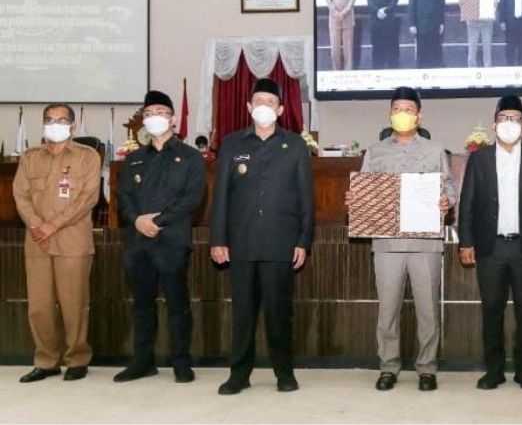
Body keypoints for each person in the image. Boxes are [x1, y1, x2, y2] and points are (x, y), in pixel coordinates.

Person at [346, 86, 454, 392]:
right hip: (387, 244)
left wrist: (446, 200)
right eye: (397, 109)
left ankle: (427, 368)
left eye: (408, 109)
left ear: (419, 116)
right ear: (389, 114)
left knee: (428, 310)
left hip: (425, 244)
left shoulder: (435, 150)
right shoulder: (374, 152)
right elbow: (364, 190)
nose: (402, 114)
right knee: (388, 311)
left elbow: (448, 186)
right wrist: (356, 199)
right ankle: (388, 366)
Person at [210, 78, 314, 395]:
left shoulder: (295, 145)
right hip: (241, 243)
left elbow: (306, 198)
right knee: (242, 314)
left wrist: (303, 241)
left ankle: (284, 372)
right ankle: (239, 374)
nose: (264, 107)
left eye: (271, 102)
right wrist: (218, 239)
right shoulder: (232, 144)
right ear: (248, 107)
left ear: (280, 109)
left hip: (280, 243)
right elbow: (221, 196)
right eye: (259, 101)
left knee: (279, 313)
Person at [458, 95, 522, 391]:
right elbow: (467, 202)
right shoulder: (479, 159)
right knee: (492, 310)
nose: (509, 123)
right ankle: (494, 370)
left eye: (515, 119)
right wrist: (466, 242)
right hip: (491, 248)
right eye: (504, 118)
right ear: (494, 124)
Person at [114, 91, 207, 384]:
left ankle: (181, 362)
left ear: (173, 119)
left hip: (172, 240)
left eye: (161, 112)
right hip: (138, 242)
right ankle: (143, 362)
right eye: (149, 113)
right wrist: (137, 220)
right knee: (142, 304)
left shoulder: (190, 157)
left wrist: (158, 221)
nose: (155, 117)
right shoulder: (134, 159)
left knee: (177, 304)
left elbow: (192, 198)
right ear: (143, 120)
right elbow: (123, 198)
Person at [13, 103, 100, 383]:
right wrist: (36, 224)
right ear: (43, 124)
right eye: (49, 120)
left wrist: (53, 225)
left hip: (72, 241)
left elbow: (88, 198)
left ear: (72, 126)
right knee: (40, 307)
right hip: (37, 240)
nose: (55, 125)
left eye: (62, 120)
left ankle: (77, 359)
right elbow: (20, 194)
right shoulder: (30, 157)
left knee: (74, 304)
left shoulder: (87, 156)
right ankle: (46, 361)